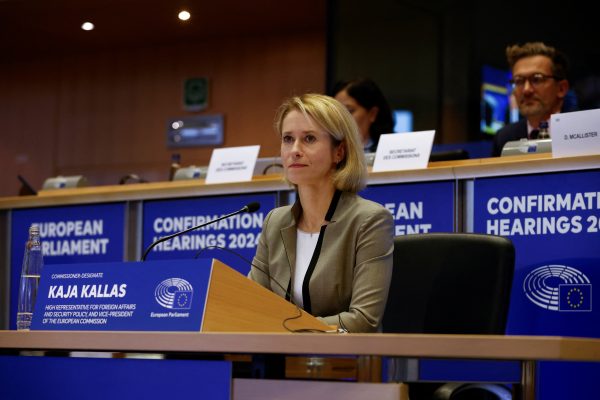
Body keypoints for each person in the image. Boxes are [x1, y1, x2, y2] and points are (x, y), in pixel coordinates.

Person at [248, 93, 394, 333]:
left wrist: (282, 328)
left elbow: (363, 320)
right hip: (277, 360)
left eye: (309, 139)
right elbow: (251, 303)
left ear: (339, 152)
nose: (294, 150)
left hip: (346, 363)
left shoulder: (369, 220)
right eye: (287, 139)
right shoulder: (275, 222)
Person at [492, 42, 570, 157]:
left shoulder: (584, 131)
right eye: (519, 81)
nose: (526, 90)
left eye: (537, 79)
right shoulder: (504, 138)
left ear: (561, 89)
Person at [333, 78, 395, 153]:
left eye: (349, 111)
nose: (340, 118)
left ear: (372, 114)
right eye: (336, 112)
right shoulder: (330, 151)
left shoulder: (391, 150)